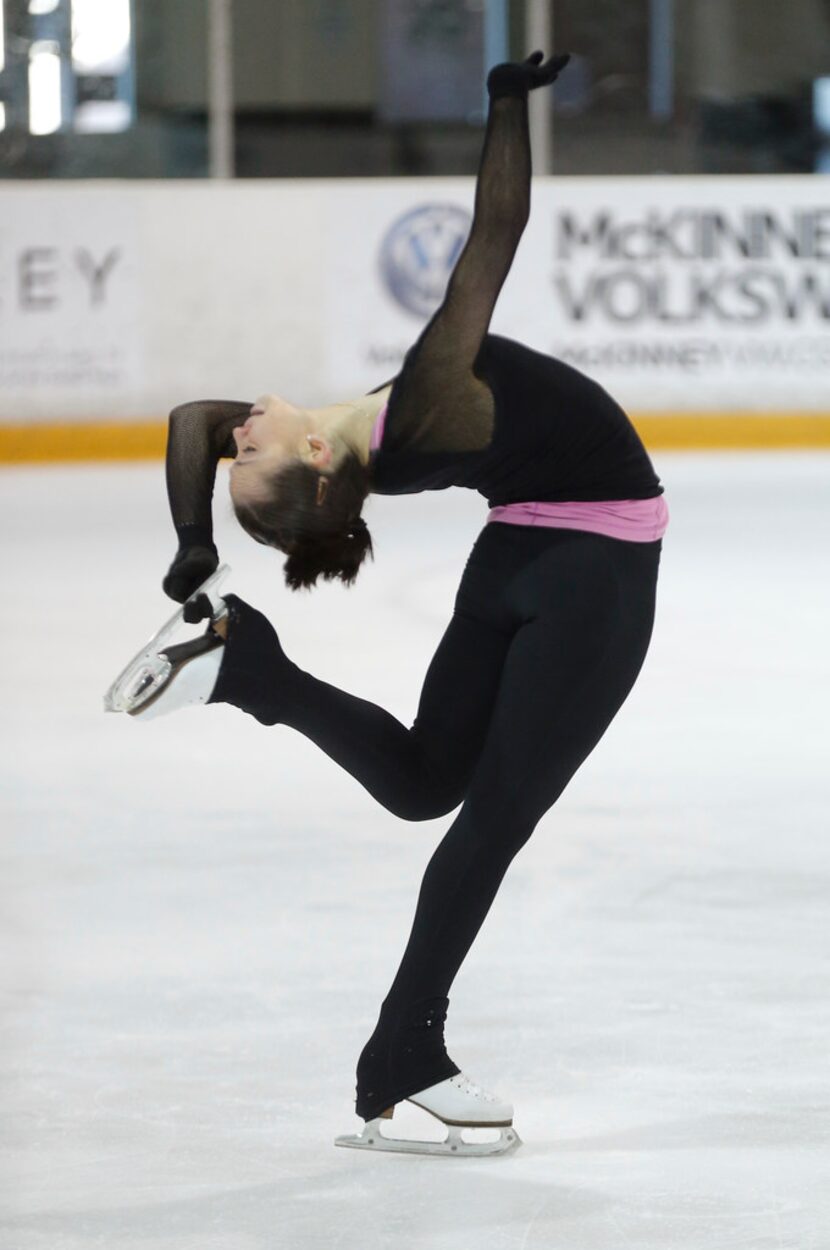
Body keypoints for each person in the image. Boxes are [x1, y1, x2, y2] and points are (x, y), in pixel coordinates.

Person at [106, 51, 669, 1157]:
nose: (235, 430)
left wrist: (196, 540)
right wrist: (504, 104)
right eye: (248, 449)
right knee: (489, 818)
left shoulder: (360, 436)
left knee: (424, 782)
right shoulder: (425, 396)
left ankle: (253, 671)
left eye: (240, 445)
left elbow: (185, 414)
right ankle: (402, 1056)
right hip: (585, 576)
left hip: (517, 557)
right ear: (314, 455)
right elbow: (492, 235)